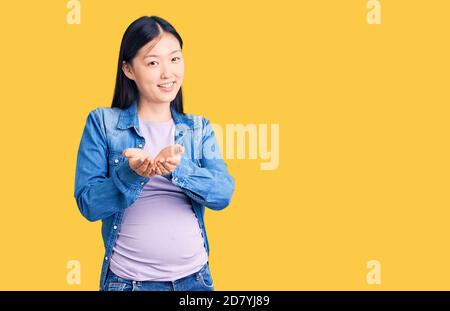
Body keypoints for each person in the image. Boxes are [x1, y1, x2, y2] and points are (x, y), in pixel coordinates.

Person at [74, 15, 235, 291]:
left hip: (194, 281)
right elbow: (88, 204)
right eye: (152, 62)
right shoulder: (102, 123)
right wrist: (130, 174)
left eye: (174, 59)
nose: (167, 73)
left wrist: (178, 170)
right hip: (128, 283)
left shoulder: (198, 128)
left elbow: (222, 194)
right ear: (128, 70)